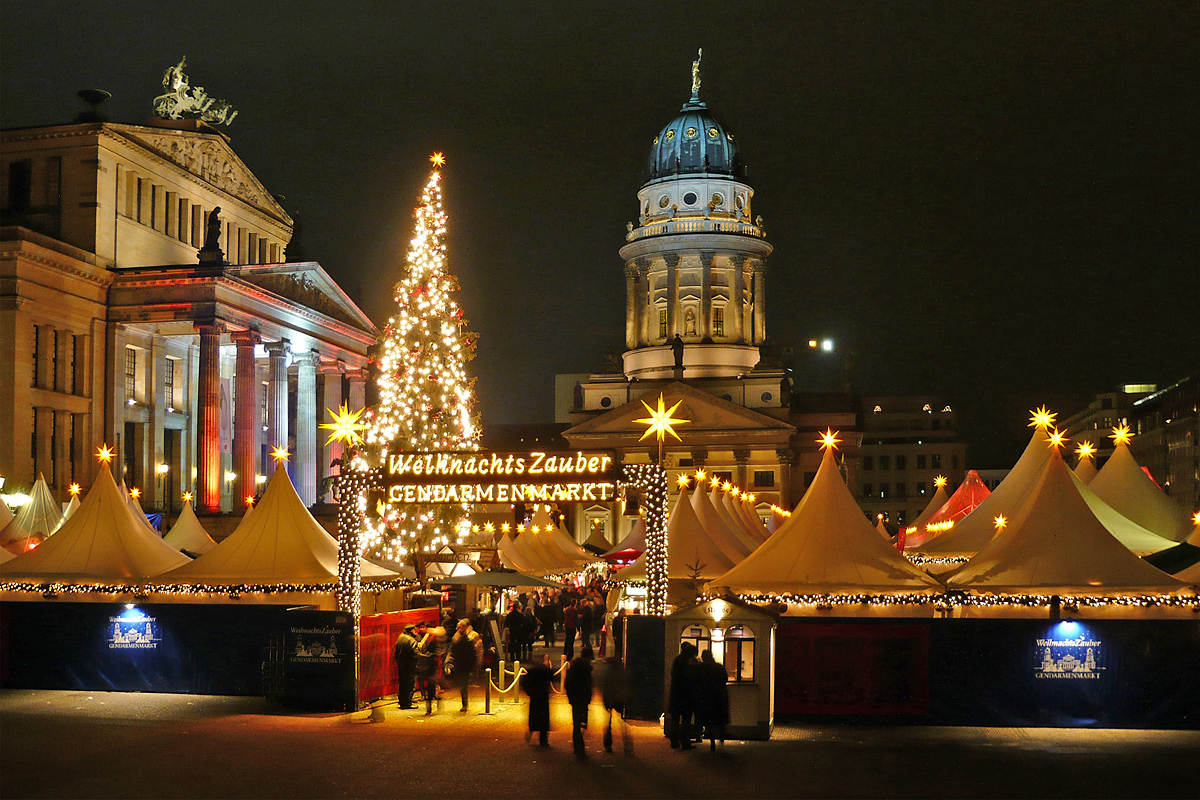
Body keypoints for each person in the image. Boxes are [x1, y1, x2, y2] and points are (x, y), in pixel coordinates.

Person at [696, 649, 730, 751]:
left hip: (706, 698)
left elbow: (697, 681)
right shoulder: (719, 667)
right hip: (719, 697)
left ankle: (712, 742)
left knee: (709, 722)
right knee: (719, 718)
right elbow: (725, 679)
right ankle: (722, 735)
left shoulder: (701, 668)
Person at [564, 646, 594, 758]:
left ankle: (578, 748)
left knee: (577, 723)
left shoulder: (574, 668)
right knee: (580, 723)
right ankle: (579, 749)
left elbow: (568, 684)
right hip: (582, 699)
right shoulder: (585, 670)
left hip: (576, 698)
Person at [667, 642, 699, 749]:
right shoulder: (691, 662)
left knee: (675, 719)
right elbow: (694, 677)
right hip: (687, 696)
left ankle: (674, 742)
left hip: (676, 695)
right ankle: (685, 742)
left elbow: (674, 675)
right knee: (686, 720)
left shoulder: (677, 659)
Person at [520, 654, 554, 746]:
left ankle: (531, 732)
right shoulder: (544, 671)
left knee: (534, 717)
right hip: (543, 696)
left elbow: (524, 683)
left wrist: (529, 692)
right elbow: (552, 676)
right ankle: (543, 740)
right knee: (543, 719)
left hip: (535, 697)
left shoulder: (532, 671)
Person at [600, 655, 631, 755]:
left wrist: (605, 700)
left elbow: (606, 687)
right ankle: (627, 746)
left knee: (608, 724)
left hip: (611, 699)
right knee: (623, 724)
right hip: (620, 699)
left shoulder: (609, 672)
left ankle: (608, 745)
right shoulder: (623, 671)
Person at [447, 619, 479, 712]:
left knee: (463, 685)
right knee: (463, 685)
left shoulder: (468, 639)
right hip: (461, 665)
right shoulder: (457, 639)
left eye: (459, 626)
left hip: (464, 665)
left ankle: (465, 704)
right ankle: (465, 703)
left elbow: (474, 654)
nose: (457, 628)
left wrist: (474, 665)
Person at [393, 623, 419, 710]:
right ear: (411, 630)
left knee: (402, 684)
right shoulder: (411, 640)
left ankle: (402, 702)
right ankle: (408, 703)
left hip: (401, 665)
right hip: (410, 665)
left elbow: (396, 652)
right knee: (410, 684)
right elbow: (416, 653)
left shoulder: (400, 638)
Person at [414, 628, 439, 715]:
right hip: (427, 667)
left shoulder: (432, 643)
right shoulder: (426, 641)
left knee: (430, 685)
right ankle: (428, 700)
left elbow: (433, 654)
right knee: (429, 684)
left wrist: (422, 656)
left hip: (429, 667)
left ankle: (429, 704)